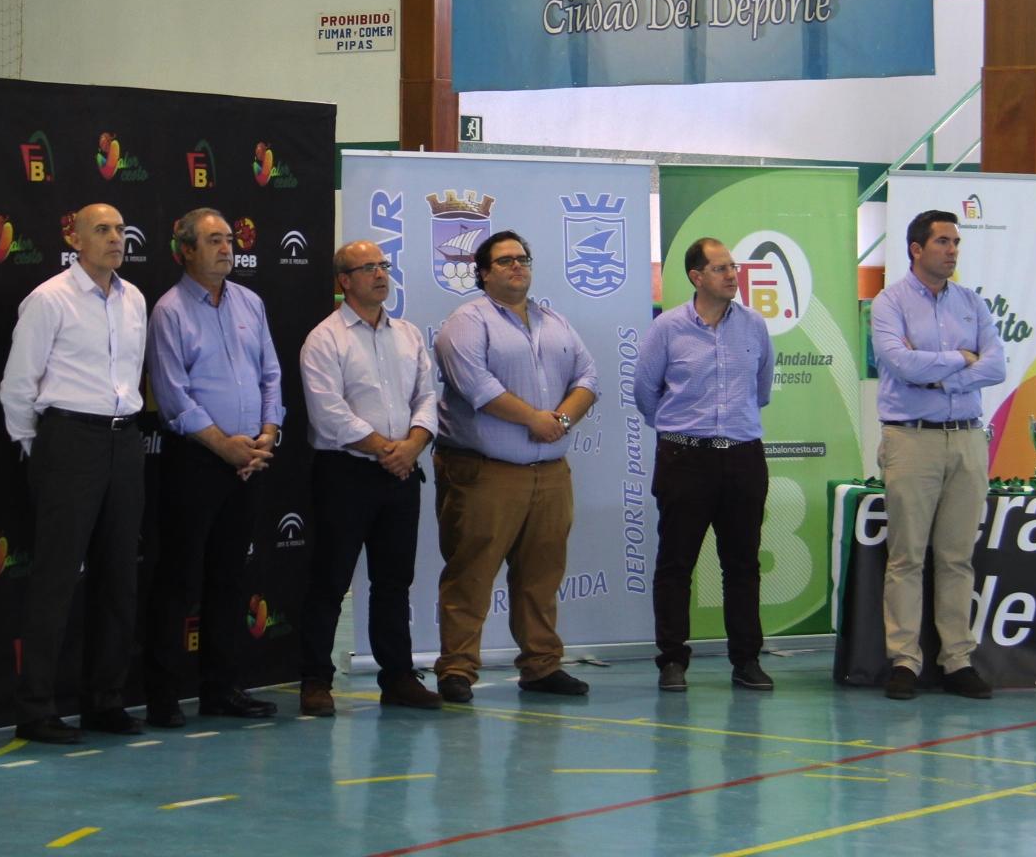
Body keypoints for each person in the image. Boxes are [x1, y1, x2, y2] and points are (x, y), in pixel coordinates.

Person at [0, 203, 148, 744]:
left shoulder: (134, 299)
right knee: (57, 578)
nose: (115, 238)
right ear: (75, 239)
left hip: (124, 440)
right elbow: (18, 384)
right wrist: (39, 445)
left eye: (119, 230)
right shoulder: (49, 299)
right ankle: (36, 708)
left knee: (118, 577)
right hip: (68, 441)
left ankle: (104, 701)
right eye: (101, 230)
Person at [431, 230, 598, 703]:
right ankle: (457, 669)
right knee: (471, 574)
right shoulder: (467, 322)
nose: (517, 266)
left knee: (541, 576)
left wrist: (559, 420)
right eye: (504, 261)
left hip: (550, 472)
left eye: (522, 258)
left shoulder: (555, 321)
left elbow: (588, 377)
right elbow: (477, 387)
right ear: (483, 273)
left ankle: (541, 666)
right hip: (486, 473)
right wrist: (534, 420)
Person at [144, 207, 283, 728]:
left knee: (230, 577)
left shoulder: (251, 302)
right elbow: (172, 396)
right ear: (186, 251)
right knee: (179, 579)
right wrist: (226, 447)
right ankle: (162, 696)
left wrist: (268, 433)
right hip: (197, 461)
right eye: (213, 241)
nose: (227, 248)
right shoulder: (169, 311)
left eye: (228, 240)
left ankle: (221, 690)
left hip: (249, 460)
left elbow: (271, 374)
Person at [295, 241, 442, 716]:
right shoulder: (325, 339)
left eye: (383, 266)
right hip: (346, 474)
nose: (381, 275)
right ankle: (315, 681)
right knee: (330, 580)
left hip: (402, 472)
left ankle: (397, 677)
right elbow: (329, 413)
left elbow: (426, 397)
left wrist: (412, 446)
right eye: (368, 268)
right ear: (344, 280)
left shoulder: (408, 335)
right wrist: (386, 449)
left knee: (394, 581)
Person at [870, 210, 1005, 701]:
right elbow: (901, 364)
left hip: (967, 438)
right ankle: (905, 661)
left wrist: (941, 377)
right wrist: (961, 359)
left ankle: (957, 660)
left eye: (955, 242)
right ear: (916, 248)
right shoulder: (889, 303)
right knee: (907, 556)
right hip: (911, 439)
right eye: (943, 242)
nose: (952, 250)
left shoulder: (971, 302)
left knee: (956, 557)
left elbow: (997, 367)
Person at [634, 236, 775, 694]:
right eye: (721, 268)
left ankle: (747, 660)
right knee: (676, 564)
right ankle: (672, 660)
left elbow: (762, 388)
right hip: (684, 457)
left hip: (743, 456)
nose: (733, 275)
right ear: (696, 277)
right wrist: (680, 430)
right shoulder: (667, 328)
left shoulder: (754, 326)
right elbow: (645, 393)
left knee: (743, 565)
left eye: (733, 267)